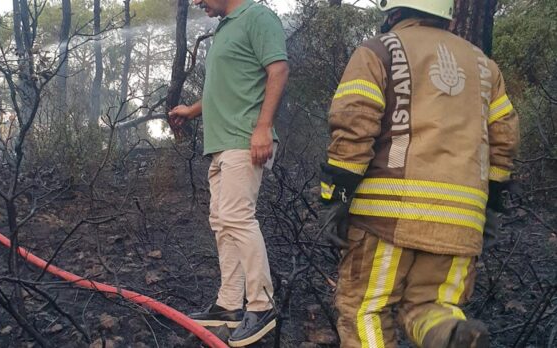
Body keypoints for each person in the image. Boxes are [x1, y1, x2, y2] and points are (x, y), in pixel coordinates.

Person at [319, 0, 519, 347]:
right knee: (433, 308)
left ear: (392, 9)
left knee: (365, 309)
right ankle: (453, 335)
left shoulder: (379, 50)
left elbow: (354, 125)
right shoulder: (485, 66)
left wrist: (335, 197)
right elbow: (504, 139)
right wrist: (490, 205)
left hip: (387, 217)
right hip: (462, 222)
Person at [167, 0, 288, 345]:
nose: (197, 3)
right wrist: (192, 110)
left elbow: (278, 70)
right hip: (221, 144)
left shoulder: (258, 17)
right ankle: (230, 306)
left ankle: (262, 305)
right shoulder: (224, 28)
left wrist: (263, 127)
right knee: (222, 222)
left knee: (236, 218)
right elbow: (225, 90)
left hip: (245, 139)